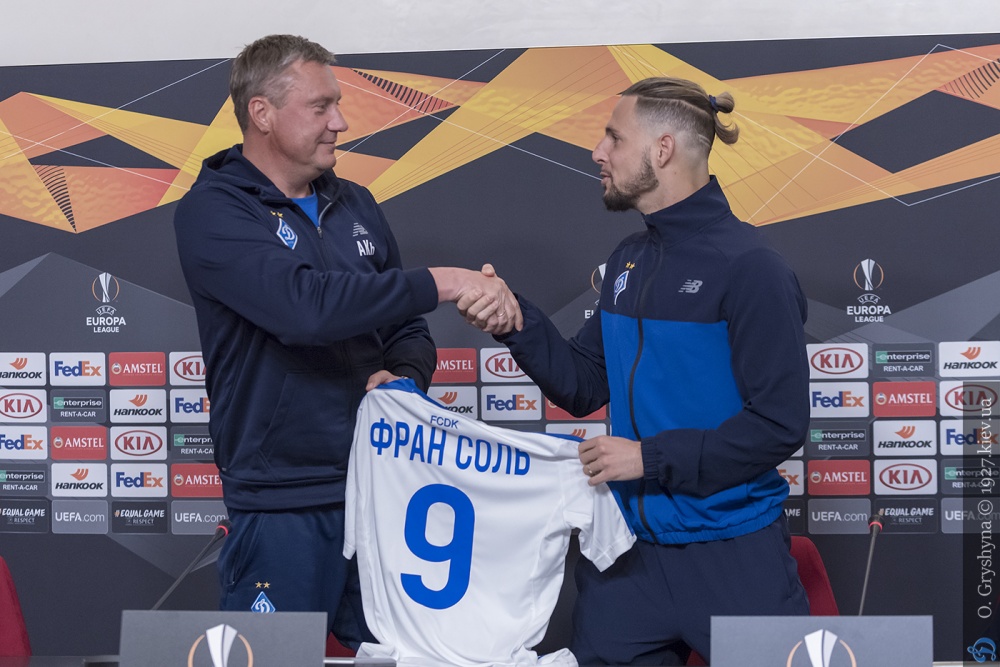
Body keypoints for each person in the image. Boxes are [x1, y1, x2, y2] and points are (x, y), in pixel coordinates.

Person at [173, 34, 518, 647]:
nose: (340, 121)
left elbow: (405, 327)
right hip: (281, 502)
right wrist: (444, 280)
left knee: (409, 659)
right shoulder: (213, 210)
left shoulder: (356, 203)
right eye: (321, 106)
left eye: (337, 104)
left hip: (382, 487)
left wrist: (405, 378)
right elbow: (303, 310)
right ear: (262, 113)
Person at [465, 77, 810, 664]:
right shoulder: (628, 259)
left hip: (735, 555)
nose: (597, 152)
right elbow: (583, 383)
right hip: (626, 560)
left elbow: (778, 424)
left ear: (663, 149)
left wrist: (648, 458)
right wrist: (513, 319)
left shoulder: (752, 268)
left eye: (614, 138)